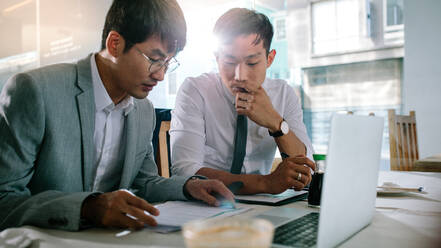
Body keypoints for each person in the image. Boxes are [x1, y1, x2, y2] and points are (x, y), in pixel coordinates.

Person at [0, 0, 233, 231]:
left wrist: (188, 187)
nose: (161, 75)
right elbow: (4, 199)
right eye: (154, 60)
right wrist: (87, 208)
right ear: (114, 44)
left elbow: (144, 182)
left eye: (167, 63)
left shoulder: (143, 110)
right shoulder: (36, 91)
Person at [170, 8, 315, 195]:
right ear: (217, 58)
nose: (240, 76)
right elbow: (185, 171)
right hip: (206, 203)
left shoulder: (283, 94)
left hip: (263, 205)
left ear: (269, 59)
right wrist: (265, 183)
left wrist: (275, 122)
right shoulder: (196, 90)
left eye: (252, 63)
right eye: (229, 62)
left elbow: (306, 168)